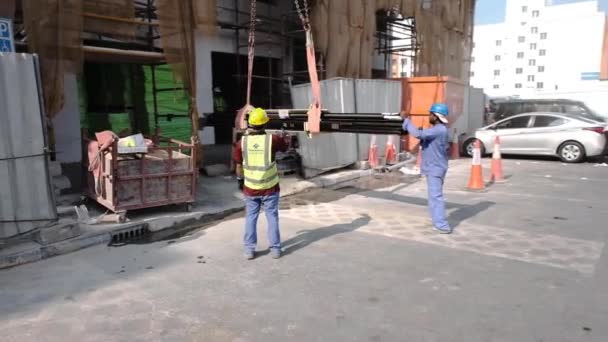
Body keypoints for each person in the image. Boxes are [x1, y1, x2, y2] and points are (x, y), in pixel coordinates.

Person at [233, 108, 289, 259]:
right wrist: (284, 137)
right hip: (270, 188)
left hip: (251, 188)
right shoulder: (272, 139)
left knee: (251, 217)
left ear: (250, 123)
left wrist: (240, 181)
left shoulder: (241, 143)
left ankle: (249, 250)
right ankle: (275, 249)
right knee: (272, 217)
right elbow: (285, 147)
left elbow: (238, 166)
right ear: (265, 124)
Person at [402, 103, 452, 234]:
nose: (429, 116)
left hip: (435, 168)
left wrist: (406, 120)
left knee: (436, 197)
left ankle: (442, 225)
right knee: (434, 197)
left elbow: (418, 134)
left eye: (430, 114)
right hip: (436, 167)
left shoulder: (439, 129)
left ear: (436, 116)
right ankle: (438, 222)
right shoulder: (440, 129)